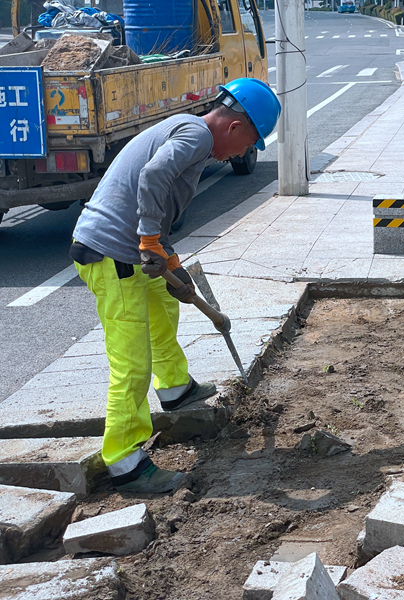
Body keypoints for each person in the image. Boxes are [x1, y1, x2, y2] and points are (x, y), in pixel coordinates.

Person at [70, 78, 281, 494]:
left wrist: (168, 257)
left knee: (165, 307)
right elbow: (152, 177)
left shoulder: (192, 133)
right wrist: (149, 240)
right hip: (112, 255)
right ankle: (124, 462)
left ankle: (176, 389)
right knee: (131, 362)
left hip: (132, 250)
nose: (241, 154)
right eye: (248, 144)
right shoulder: (198, 135)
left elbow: (158, 201)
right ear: (236, 127)